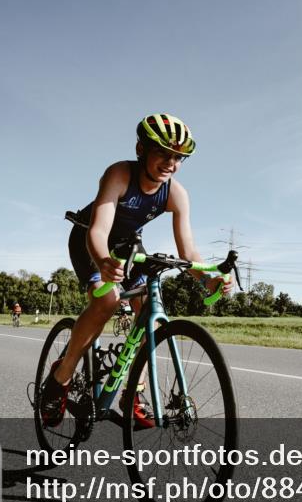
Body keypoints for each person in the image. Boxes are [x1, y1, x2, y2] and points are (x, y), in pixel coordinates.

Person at [39, 113, 232, 429]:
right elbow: (99, 231)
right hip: (91, 241)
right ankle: (60, 379)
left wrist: (208, 278)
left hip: (130, 248)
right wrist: (103, 262)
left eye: (178, 157)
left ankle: (134, 394)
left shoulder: (175, 193)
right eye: (163, 153)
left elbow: (188, 252)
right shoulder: (119, 174)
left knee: (149, 314)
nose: (171, 163)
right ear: (141, 149)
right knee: (107, 301)